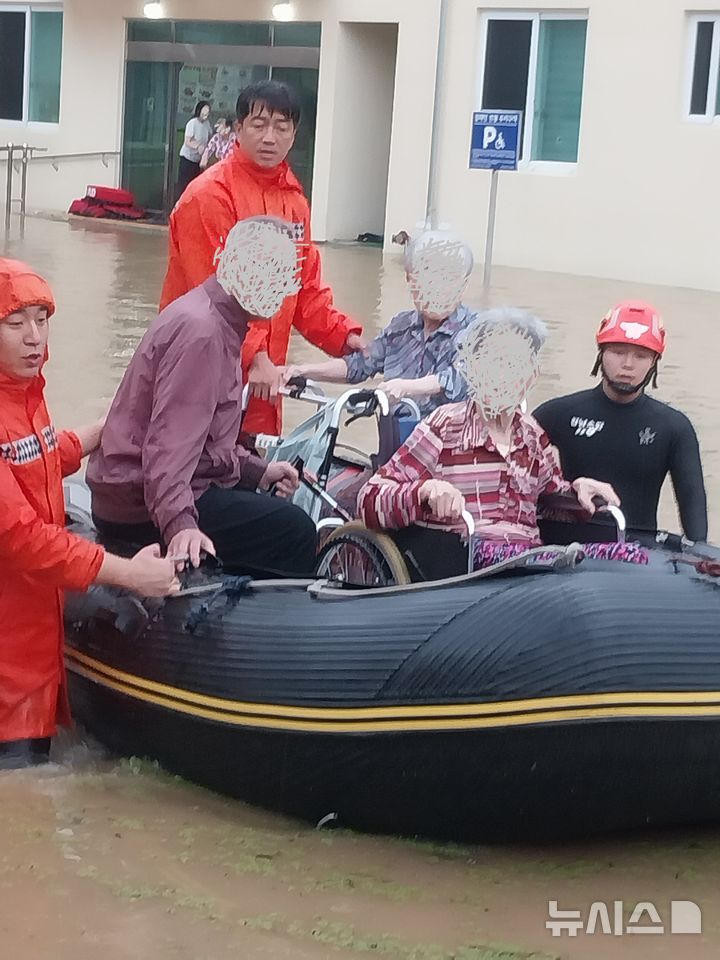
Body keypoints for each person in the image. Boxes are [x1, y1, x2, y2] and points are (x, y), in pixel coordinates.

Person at [0, 259, 179, 767]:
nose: (34, 337)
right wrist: (129, 574)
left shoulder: (26, 399)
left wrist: (106, 428)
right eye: (16, 324)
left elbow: (39, 456)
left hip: (34, 644)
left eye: (42, 319)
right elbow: (23, 538)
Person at [88, 217, 318, 578]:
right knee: (295, 529)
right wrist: (181, 525)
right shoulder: (204, 335)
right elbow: (168, 448)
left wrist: (259, 471)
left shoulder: (213, 319)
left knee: (268, 511)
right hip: (138, 506)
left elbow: (206, 442)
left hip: (138, 490)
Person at [357, 308, 648, 571]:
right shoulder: (445, 425)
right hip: (467, 555)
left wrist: (578, 491)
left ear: (532, 375)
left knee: (629, 558)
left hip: (528, 560)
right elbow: (369, 500)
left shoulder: (532, 436)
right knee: (553, 565)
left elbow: (550, 503)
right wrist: (424, 491)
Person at [159, 80, 364, 436]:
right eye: (259, 124)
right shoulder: (209, 196)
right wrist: (255, 356)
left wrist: (346, 339)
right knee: (195, 471)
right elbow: (216, 296)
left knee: (258, 469)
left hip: (263, 382)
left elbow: (305, 292)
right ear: (238, 129)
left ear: (294, 134)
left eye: (281, 127)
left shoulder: (294, 203)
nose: (270, 137)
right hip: (200, 372)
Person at [533, 301, 708, 542]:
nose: (628, 364)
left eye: (641, 355)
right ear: (601, 352)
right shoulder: (557, 414)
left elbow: (693, 507)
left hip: (637, 556)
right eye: (617, 351)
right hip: (566, 549)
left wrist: (701, 560)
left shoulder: (674, 428)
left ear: (655, 361)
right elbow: (513, 478)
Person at [283, 230, 477, 417]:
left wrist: (405, 387)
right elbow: (359, 365)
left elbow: (458, 377)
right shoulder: (401, 326)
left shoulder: (477, 330)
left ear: (464, 284)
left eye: (448, 281)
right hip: (397, 439)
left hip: (449, 445)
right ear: (410, 279)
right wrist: (303, 371)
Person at [176, 100, 212, 200]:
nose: (206, 115)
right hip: (187, 159)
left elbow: (210, 137)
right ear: (199, 111)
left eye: (208, 112)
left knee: (195, 186)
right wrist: (198, 146)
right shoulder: (192, 123)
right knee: (185, 186)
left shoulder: (207, 124)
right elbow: (188, 141)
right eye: (204, 112)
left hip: (198, 161)